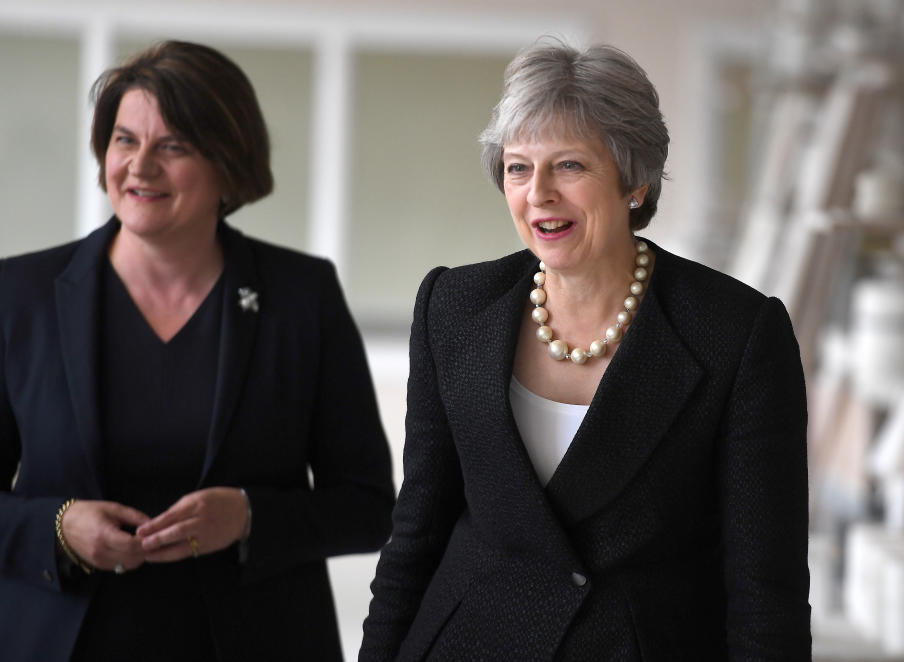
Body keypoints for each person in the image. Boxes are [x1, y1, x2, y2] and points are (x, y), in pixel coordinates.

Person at [360, 39, 810, 661]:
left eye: (569, 165)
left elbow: (767, 591)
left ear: (635, 180)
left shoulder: (738, 332)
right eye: (518, 167)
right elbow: (417, 532)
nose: (538, 193)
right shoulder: (453, 305)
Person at [0, 40, 395, 662]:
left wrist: (247, 518)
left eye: (173, 147)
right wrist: (56, 528)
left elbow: (369, 507)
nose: (139, 167)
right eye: (125, 140)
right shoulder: (18, 296)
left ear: (227, 165)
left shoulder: (302, 297)